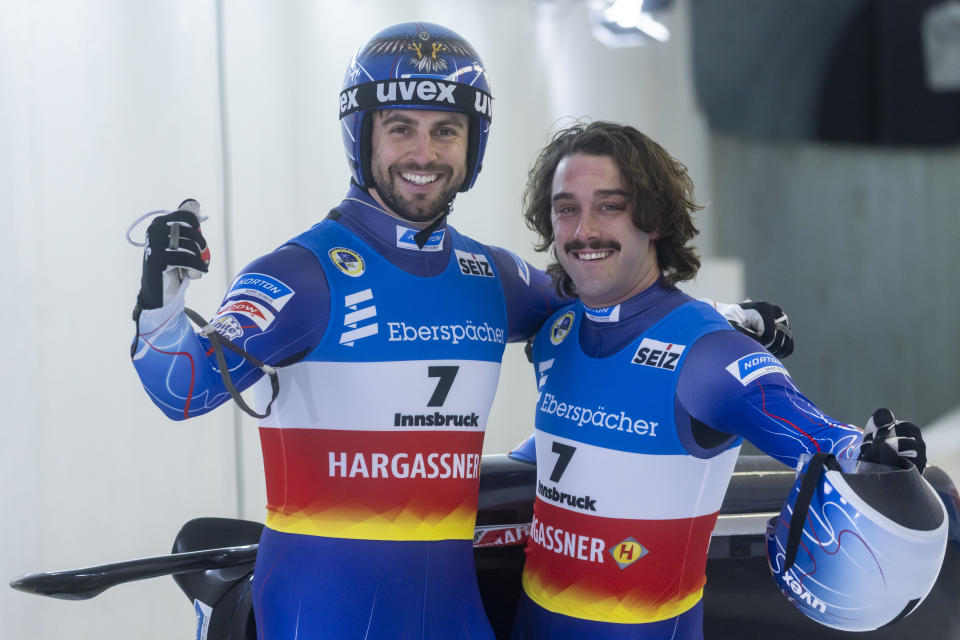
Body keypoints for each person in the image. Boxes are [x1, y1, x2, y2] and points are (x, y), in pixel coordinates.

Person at [130, 24, 786, 639]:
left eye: (447, 129)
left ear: (472, 144)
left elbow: (606, 308)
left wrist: (725, 326)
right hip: (324, 609)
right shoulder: (302, 274)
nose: (424, 154)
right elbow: (182, 388)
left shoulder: (488, 276)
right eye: (400, 129)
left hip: (450, 611)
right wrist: (161, 299)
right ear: (362, 136)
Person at [507, 121, 926, 640]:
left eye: (609, 205)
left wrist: (874, 453)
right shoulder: (559, 332)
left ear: (654, 219)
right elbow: (562, 451)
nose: (583, 229)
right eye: (566, 208)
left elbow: (818, 435)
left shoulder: (709, 354)